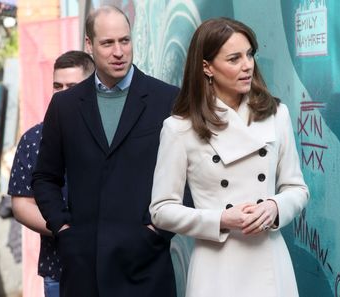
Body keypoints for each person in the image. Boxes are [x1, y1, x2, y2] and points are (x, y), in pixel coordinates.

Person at [150, 17, 309, 297]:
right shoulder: (179, 128)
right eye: (234, 58)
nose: (247, 65)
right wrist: (221, 219)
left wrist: (274, 207)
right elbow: (161, 210)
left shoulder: (276, 114)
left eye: (249, 54)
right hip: (216, 267)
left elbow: (297, 188)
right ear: (207, 67)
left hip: (269, 260)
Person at [32, 5, 179, 297]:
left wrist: (158, 230)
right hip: (84, 268)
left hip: (146, 267)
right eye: (108, 43)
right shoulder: (65, 106)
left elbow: (189, 174)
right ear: (89, 45)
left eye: (124, 41)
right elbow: (45, 177)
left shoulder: (167, 99)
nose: (119, 52)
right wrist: (62, 228)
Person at [8, 50, 95, 297]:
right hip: (60, 269)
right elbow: (22, 205)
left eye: (72, 86)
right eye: (57, 86)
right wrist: (66, 229)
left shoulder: (111, 135)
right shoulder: (34, 139)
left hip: (114, 267)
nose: (62, 93)